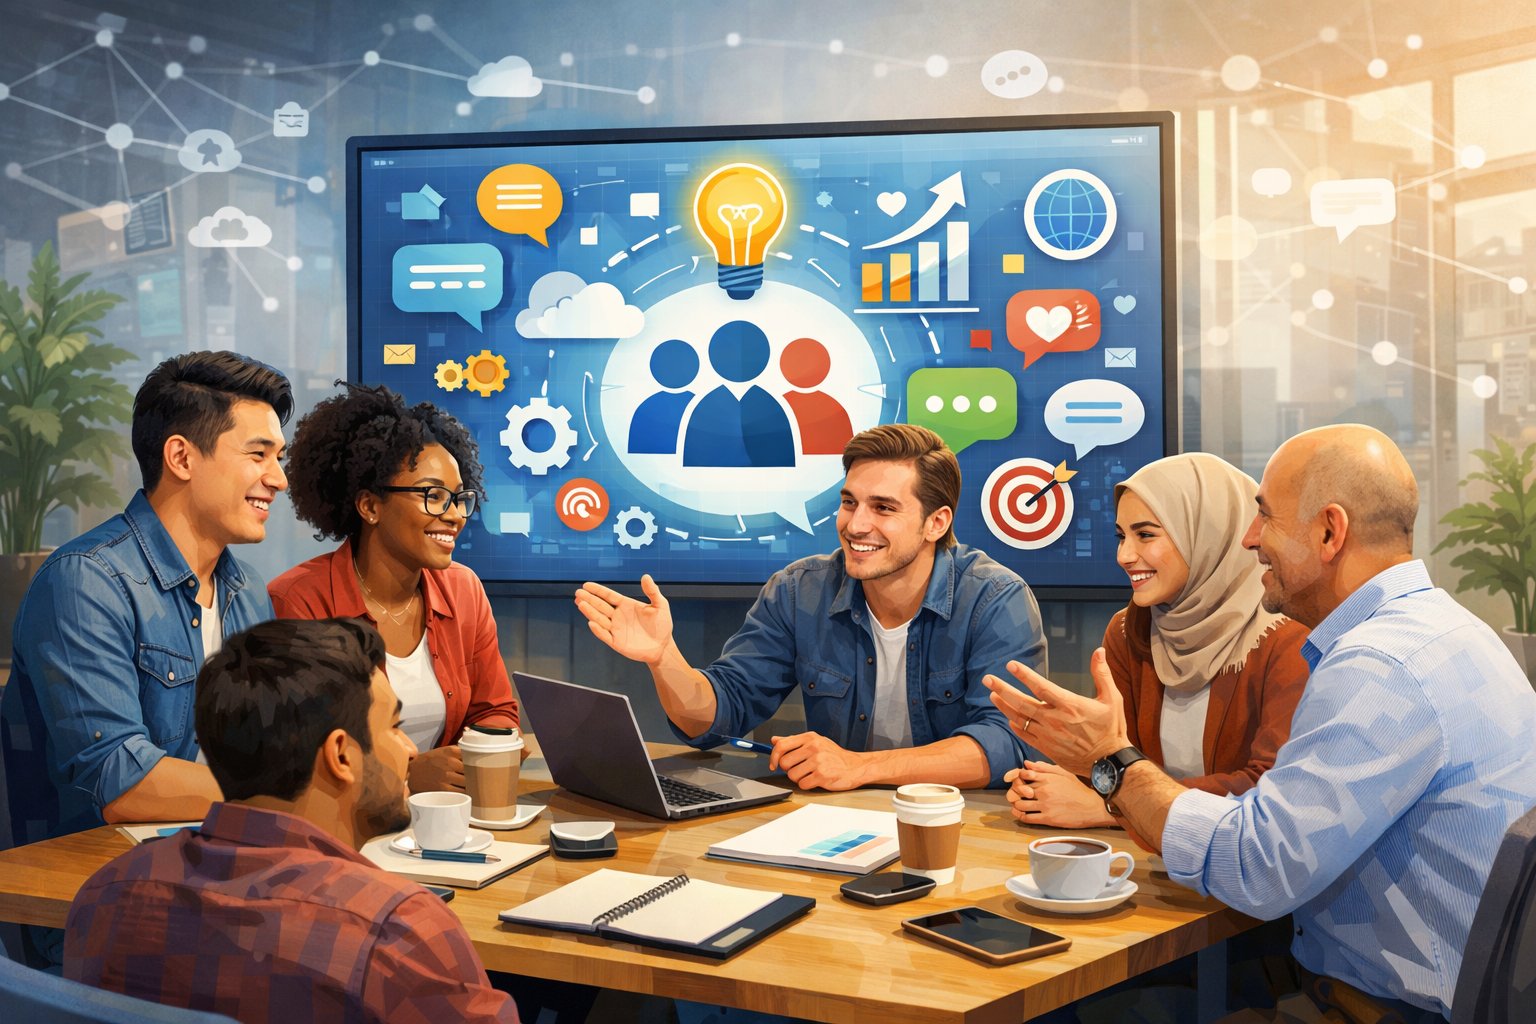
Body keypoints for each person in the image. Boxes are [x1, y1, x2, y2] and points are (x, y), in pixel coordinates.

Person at [985, 425, 1536, 1023]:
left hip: (1379, 1008)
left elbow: (1256, 869)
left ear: (1329, 532)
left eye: (1266, 516)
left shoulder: (1378, 667)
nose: (1248, 538)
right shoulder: (1446, 628)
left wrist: (1112, 767)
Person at [63, 617, 517, 1023]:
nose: (411, 750)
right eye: (395, 728)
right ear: (341, 755)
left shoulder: (106, 895)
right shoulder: (397, 931)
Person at [576, 422, 1048, 791]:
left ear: (936, 523)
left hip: (954, 824)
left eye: (883, 508)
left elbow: (1008, 743)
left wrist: (858, 767)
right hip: (832, 821)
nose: (855, 525)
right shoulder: (799, 590)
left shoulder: (994, 598)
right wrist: (664, 658)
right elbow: (718, 716)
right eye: (850, 502)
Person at [2, 350, 292, 850]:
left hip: (222, 859)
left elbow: (265, 749)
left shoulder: (247, 591)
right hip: (97, 879)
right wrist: (285, 795)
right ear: (181, 457)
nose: (278, 479)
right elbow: (119, 780)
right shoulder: (87, 580)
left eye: (278, 458)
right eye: (258, 455)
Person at [1006, 453, 1309, 832]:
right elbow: (1117, 760)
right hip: (1143, 858)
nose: (1124, 556)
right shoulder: (1128, 629)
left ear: (1207, 534)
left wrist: (1112, 808)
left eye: (1146, 535)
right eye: (1121, 536)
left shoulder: (1292, 638)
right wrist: (1053, 780)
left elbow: (1269, 788)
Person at [269, 383, 517, 796]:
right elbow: (295, 756)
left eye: (459, 498)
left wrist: (489, 751)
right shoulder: (299, 600)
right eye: (433, 496)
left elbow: (495, 711)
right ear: (369, 506)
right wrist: (404, 777)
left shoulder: (463, 589)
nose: (455, 515)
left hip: (448, 814)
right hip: (341, 822)